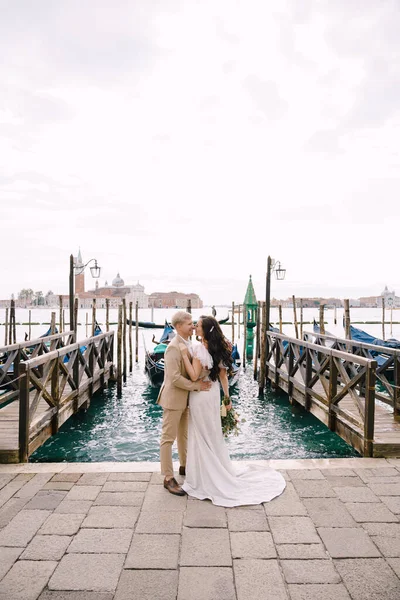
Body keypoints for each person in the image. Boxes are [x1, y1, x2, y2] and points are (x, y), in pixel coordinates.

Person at [179, 315, 286, 507]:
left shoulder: (196, 349)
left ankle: (203, 477)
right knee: (212, 434)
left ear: (205, 330)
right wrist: (227, 399)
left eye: (198, 326)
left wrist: (183, 356)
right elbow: (223, 377)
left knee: (200, 434)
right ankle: (215, 469)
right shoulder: (218, 349)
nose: (195, 327)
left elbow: (194, 375)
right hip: (212, 394)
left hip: (200, 396)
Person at [157, 311, 211, 496]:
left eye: (193, 323)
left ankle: (185, 466)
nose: (193, 326)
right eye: (189, 324)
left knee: (183, 436)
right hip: (173, 399)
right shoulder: (173, 347)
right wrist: (197, 386)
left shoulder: (190, 343)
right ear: (178, 326)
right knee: (168, 438)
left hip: (186, 399)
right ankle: (167, 478)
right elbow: (174, 378)